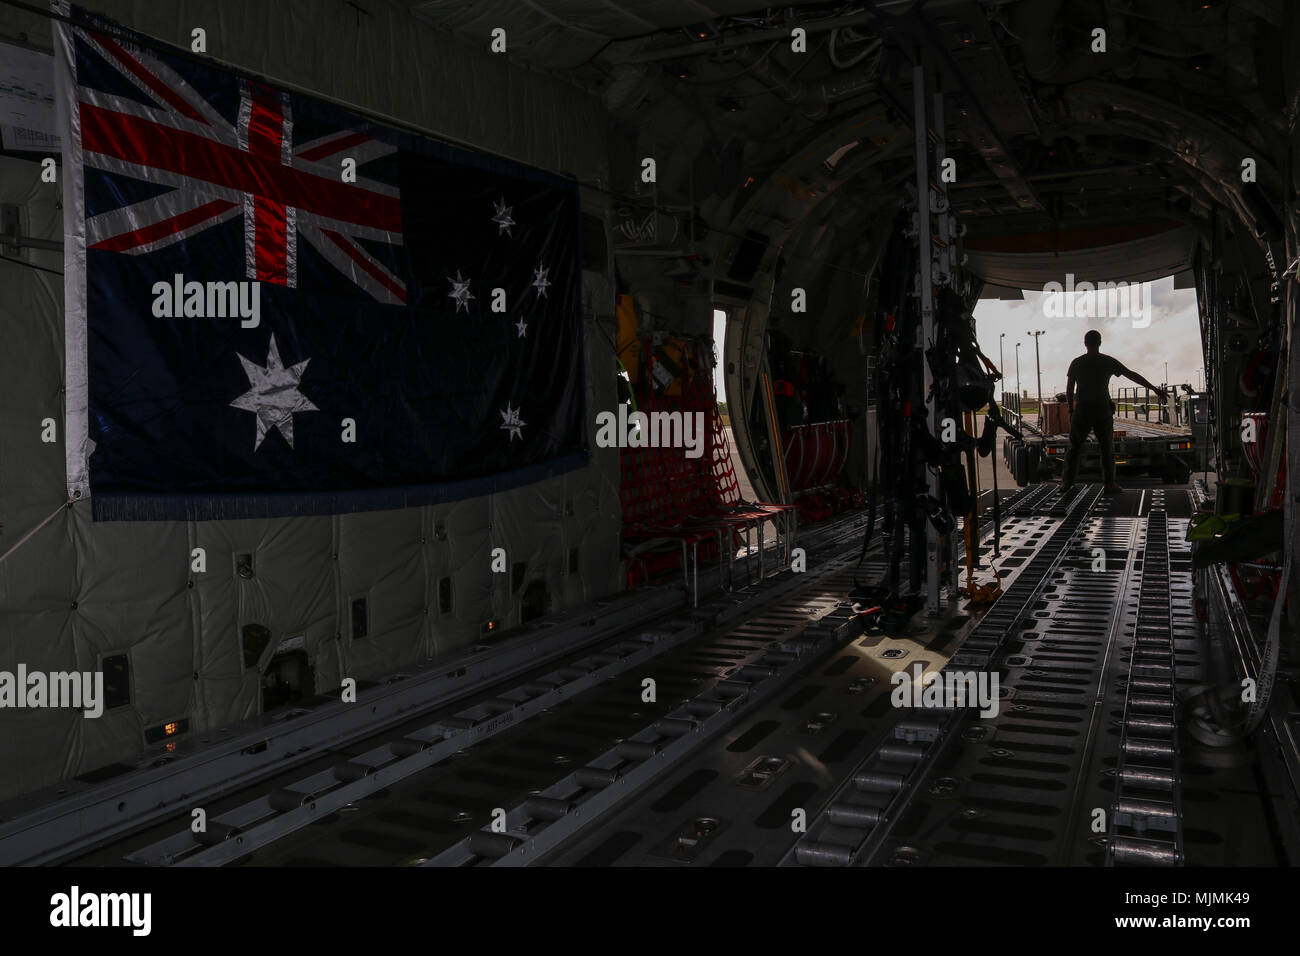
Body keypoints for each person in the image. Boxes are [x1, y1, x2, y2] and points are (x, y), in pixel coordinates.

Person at [1062, 329, 1168, 494]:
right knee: (1107, 448)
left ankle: (1067, 483)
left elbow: (1069, 389)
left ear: (1085, 343)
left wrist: (1070, 409)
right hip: (1102, 409)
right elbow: (1131, 375)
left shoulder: (1077, 362)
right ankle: (1109, 483)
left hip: (1082, 409)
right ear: (1100, 343)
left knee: (1074, 447)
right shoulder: (1107, 361)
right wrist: (1153, 388)